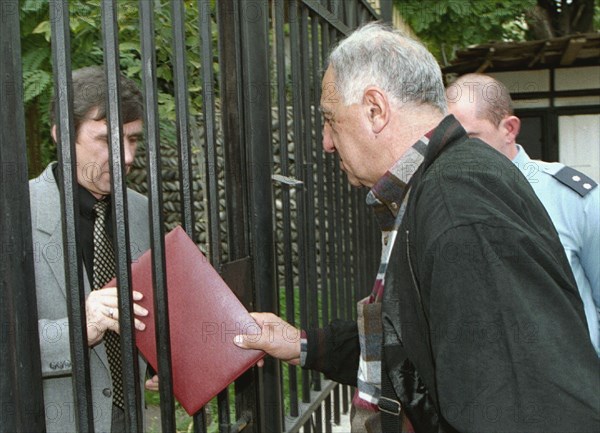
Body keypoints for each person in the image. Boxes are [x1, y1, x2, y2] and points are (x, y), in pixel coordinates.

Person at [234, 22, 600, 432]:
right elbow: (412, 342)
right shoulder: (439, 185)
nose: (326, 141)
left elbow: (520, 401)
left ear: (375, 109)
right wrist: (303, 344)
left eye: (330, 120)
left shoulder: (457, 204)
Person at [30, 66, 157, 432]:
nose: (127, 158)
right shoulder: (15, 216)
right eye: (106, 140)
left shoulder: (139, 210)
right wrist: (79, 328)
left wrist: (160, 361)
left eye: (132, 140)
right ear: (61, 136)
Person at [446, 73, 600, 356]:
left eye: (470, 139)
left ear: (509, 128)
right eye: (449, 141)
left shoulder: (571, 199)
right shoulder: (444, 200)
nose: (457, 154)